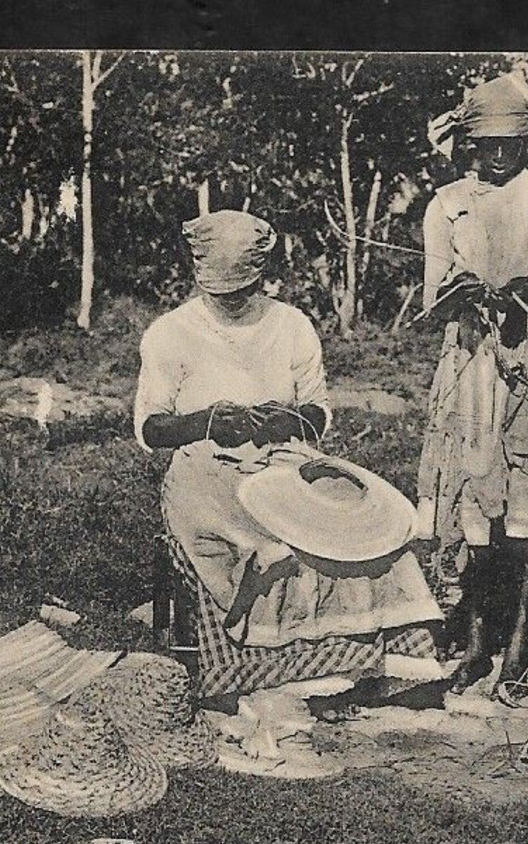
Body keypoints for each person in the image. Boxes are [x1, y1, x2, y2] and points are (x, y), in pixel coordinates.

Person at [134, 209, 443, 777]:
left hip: (283, 457)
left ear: (262, 276)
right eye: (220, 293)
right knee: (262, 536)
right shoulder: (171, 331)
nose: (231, 301)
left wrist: (287, 419)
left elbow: (318, 414)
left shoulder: (292, 324)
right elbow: (153, 430)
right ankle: (268, 671)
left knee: (355, 518)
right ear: (199, 279)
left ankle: (361, 668)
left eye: (242, 291)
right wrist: (204, 421)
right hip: (204, 465)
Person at [417, 72, 528, 691]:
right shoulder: (447, 205)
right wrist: (463, 295)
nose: (498, 153)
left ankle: (520, 644)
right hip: (471, 364)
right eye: (486, 143)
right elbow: (432, 300)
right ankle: (475, 640)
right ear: (470, 141)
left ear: (526, 139)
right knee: (472, 508)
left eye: (509, 141)